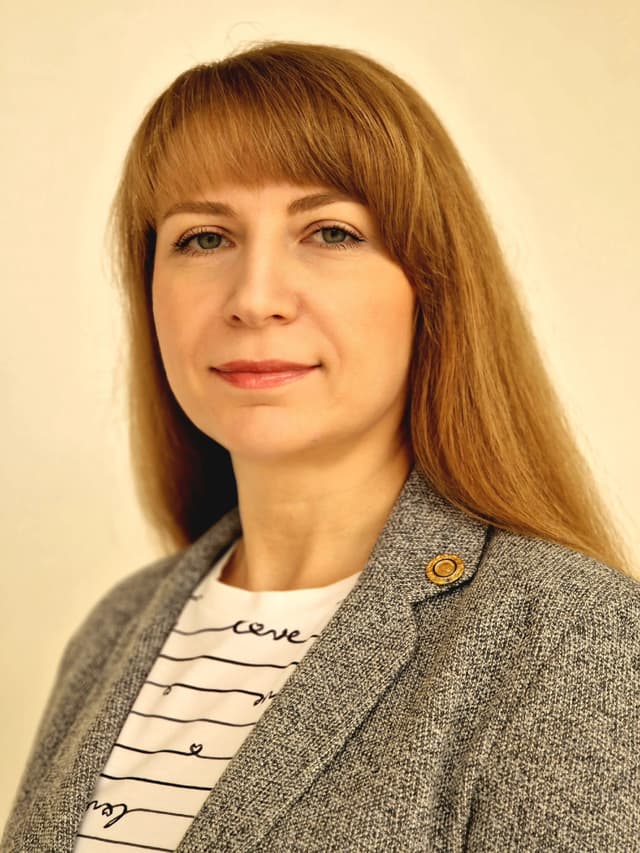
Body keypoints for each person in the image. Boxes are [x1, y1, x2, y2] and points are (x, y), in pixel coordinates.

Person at [3, 39, 639, 853]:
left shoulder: (569, 640)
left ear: (431, 286)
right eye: (203, 238)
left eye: (330, 232)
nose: (256, 297)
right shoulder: (115, 629)